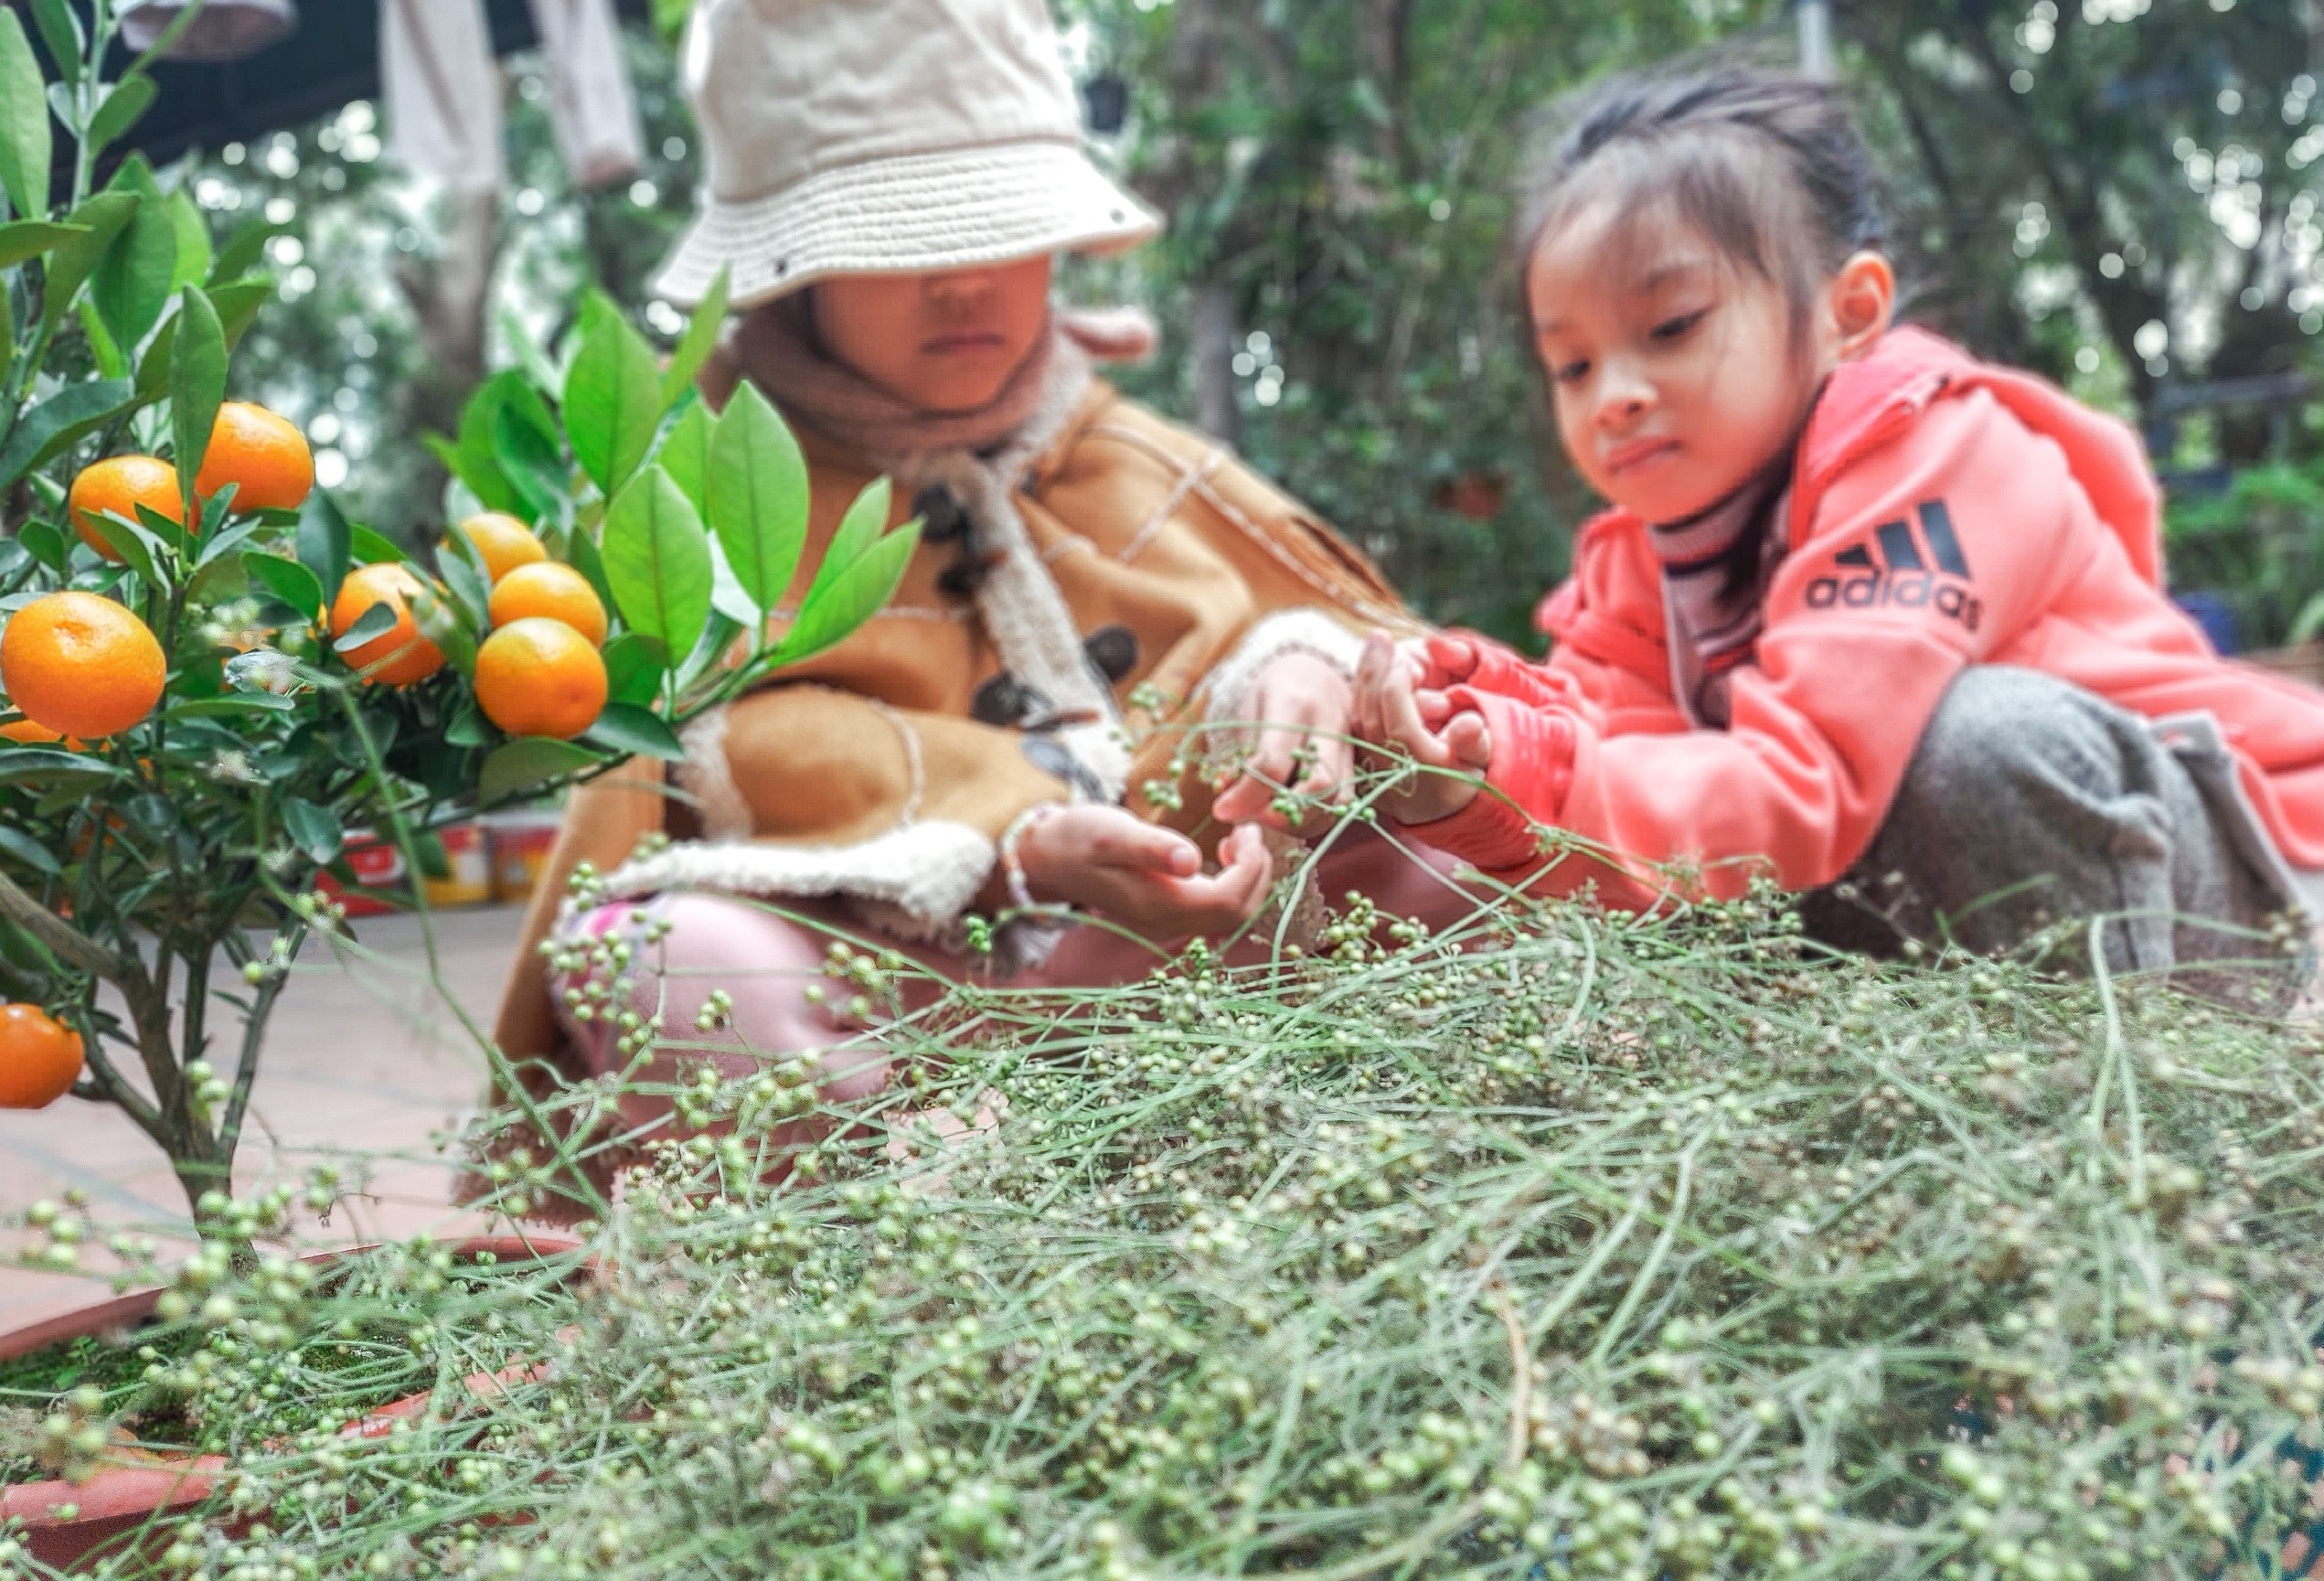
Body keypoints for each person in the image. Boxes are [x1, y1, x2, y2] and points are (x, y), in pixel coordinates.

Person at [474, 0, 1476, 1213]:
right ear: (795, 271)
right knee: (658, 958)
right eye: (896, 238)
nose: (959, 281)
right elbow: (691, 767)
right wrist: (1011, 839)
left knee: (1449, 860)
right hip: (896, 999)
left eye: (996, 225)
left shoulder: (1146, 466)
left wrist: (1299, 668)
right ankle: (877, 1271)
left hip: (1188, 967)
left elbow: (1395, 666)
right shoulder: (706, 503)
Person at [1351, 63, 2324, 986]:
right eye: (1573, 366)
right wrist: (1469, 739)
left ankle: (2130, 1120)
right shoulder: (1636, 570)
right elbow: (1611, 790)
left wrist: (1540, 774)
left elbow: (1803, 784)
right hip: (1969, 918)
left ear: (1845, 312)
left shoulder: (1930, 457)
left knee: (1978, 743)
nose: (1614, 396)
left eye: (1672, 325)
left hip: (2249, 899)